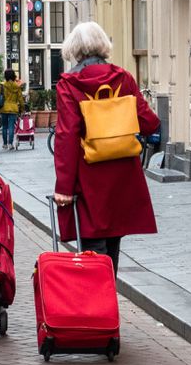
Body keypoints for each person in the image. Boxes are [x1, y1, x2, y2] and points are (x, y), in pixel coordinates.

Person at [52, 21, 159, 275]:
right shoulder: (123, 78)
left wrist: (63, 189)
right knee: (112, 247)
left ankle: (97, 308)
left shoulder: (70, 84)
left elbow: (66, 136)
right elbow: (149, 123)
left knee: (91, 250)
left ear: (75, 50)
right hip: (122, 177)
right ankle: (107, 303)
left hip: (89, 178)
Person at [0, 69, 24, 150]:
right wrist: (22, 108)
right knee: (11, 126)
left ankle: (5, 144)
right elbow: (20, 99)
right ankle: (10, 144)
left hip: (4, 108)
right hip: (13, 108)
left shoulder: (2, 85)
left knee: (4, 126)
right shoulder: (17, 86)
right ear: (13, 76)